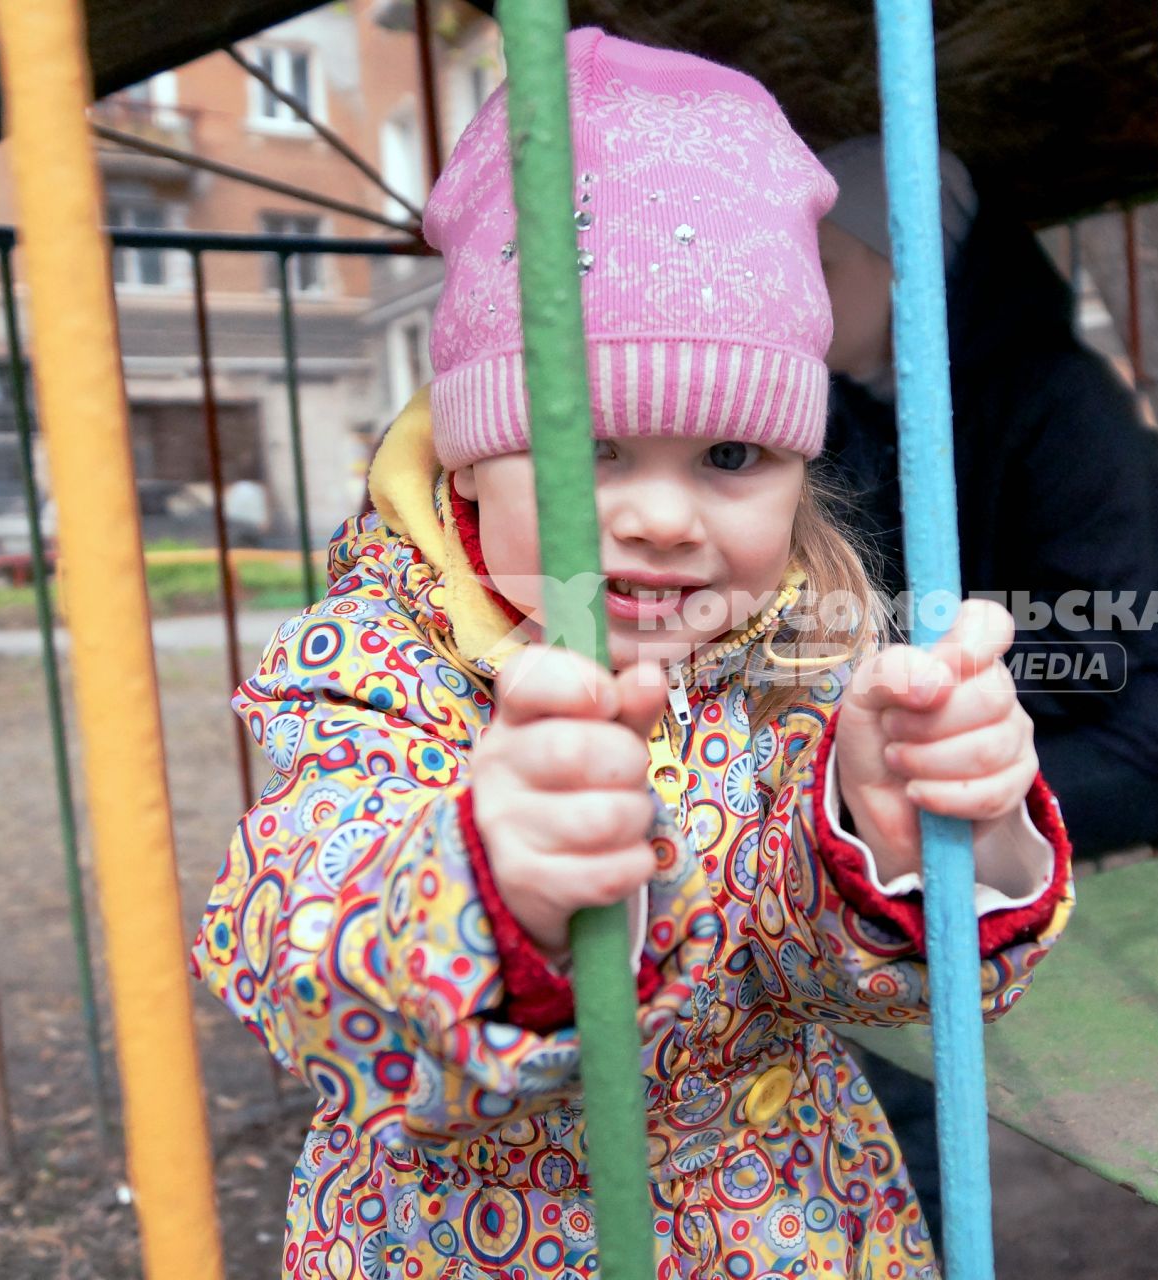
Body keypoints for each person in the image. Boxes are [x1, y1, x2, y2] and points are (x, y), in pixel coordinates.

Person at [191, 30, 1072, 1280]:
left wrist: (922, 828)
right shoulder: (375, 663)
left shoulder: (800, 640)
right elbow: (287, 940)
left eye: (730, 458)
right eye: (592, 446)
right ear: (469, 456)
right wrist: (485, 881)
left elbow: (851, 979)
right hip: (477, 1238)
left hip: (793, 1219)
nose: (663, 515)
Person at [816, 136, 1158, 1241]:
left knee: (879, 829)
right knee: (837, 807)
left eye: (825, 268)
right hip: (989, 706)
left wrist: (919, 695)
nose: (801, 302)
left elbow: (1098, 640)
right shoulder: (855, 408)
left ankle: (909, 1203)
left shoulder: (1064, 399)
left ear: (912, 269)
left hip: (1148, 731)